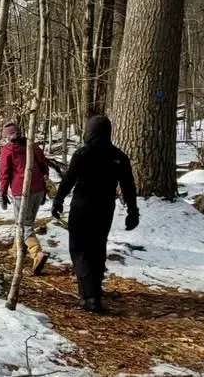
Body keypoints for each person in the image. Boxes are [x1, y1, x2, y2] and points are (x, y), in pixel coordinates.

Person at [52, 115, 138, 313]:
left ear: (89, 131)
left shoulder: (83, 154)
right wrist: (132, 211)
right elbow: (128, 186)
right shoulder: (118, 156)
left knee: (79, 250)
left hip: (81, 209)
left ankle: (89, 296)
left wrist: (58, 200)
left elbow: (68, 179)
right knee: (97, 248)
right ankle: (95, 291)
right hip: (104, 210)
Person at [0, 121, 50, 275]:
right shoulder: (32, 145)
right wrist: (44, 186)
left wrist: (2, 192)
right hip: (38, 189)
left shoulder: (8, 150)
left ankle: (36, 253)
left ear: (7, 136)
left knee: (23, 224)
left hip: (22, 191)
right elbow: (44, 165)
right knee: (27, 221)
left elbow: (5, 173)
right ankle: (16, 249)